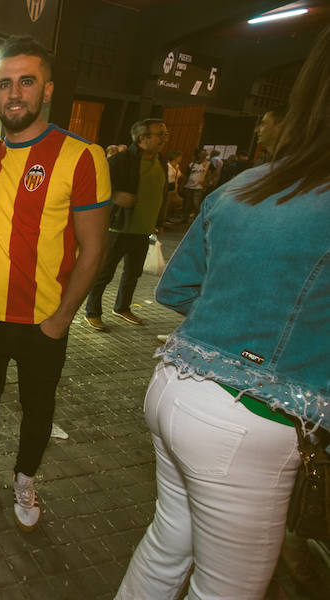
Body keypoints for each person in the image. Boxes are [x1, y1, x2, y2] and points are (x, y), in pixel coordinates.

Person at [115, 25, 330, 599]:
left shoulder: (246, 186)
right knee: (226, 589)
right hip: (249, 418)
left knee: (167, 545)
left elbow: (178, 290)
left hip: (175, 387)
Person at [0, 36, 111, 531]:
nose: (14, 92)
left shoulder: (83, 156)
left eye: (26, 81)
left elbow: (95, 249)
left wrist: (62, 319)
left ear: (47, 89)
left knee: (37, 406)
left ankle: (26, 477)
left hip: (44, 320)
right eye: (4, 83)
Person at [84, 119, 169, 331]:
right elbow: (94, 187)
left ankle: (122, 307)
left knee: (133, 273)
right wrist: (115, 196)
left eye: (165, 134)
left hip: (144, 229)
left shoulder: (161, 161)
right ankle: (92, 312)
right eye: (160, 134)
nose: (165, 139)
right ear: (143, 138)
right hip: (118, 228)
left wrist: (160, 221)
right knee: (105, 273)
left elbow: (162, 193)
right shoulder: (121, 160)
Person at [181, 148, 209, 223]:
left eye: (205, 154)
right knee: (187, 204)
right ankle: (185, 219)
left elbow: (211, 174)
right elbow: (187, 175)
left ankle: (196, 220)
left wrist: (206, 183)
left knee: (196, 204)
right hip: (189, 186)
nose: (203, 155)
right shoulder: (191, 164)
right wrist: (183, 185)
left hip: (199, 187)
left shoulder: (208, 164)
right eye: (202, 154)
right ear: (199, 154)